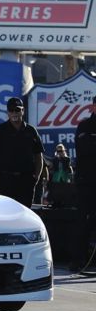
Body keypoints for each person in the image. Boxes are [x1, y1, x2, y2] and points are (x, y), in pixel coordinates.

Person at [0, 97, 44, 208]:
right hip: (5, 180)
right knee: (4, 214)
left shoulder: (31, 131)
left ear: (23, 111)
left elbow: (38, 156)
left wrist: (35, 178)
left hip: (26, 181)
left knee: (24, 214)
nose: (14, 113)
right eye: (11, 110)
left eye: (17, 110)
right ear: (7, 112)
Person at [69, 96, 96, 272]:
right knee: (83, 222)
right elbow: (85, 149)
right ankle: (79, 259)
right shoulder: (85, 126)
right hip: (87, 182)